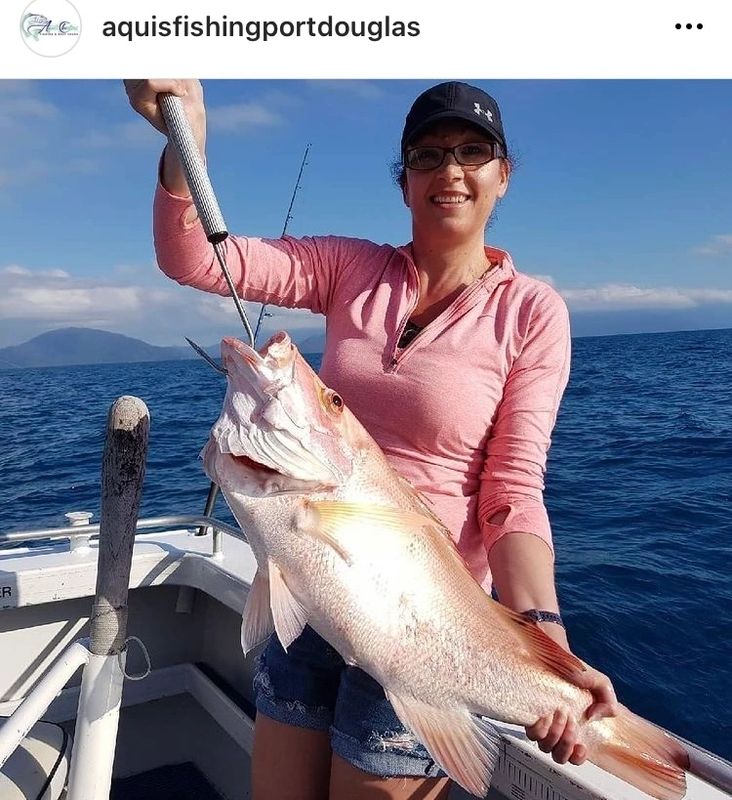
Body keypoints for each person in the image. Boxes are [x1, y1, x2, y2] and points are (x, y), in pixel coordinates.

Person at [125, 78, 618, 800]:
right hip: (308, 586)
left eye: (473, 152)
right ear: (404, 180)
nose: (450, 170)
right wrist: (184, 139)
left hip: (427, 617)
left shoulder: (532, 313)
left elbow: (512, 490)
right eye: (427, 154)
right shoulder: (352, 268)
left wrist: (545, 635)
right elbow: (200, 260)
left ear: (503, 175)